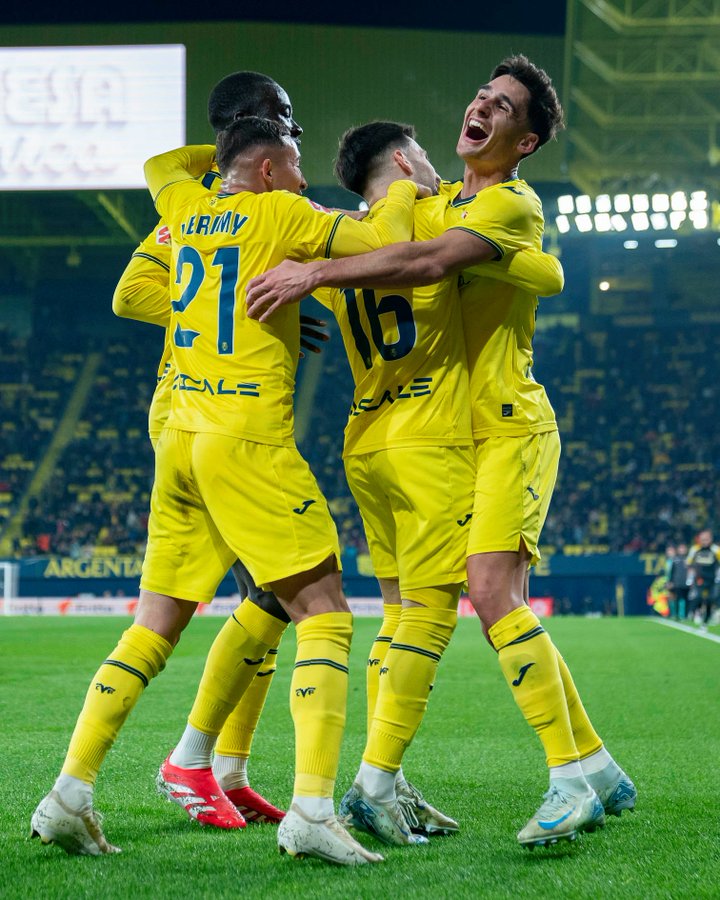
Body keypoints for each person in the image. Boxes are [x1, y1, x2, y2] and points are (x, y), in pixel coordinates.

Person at [245, 55, 637, 849]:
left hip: (505, 425)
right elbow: (506, 266)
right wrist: (537, 268)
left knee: (486, 595)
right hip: (444, 432)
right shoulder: (438, 206)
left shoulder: (506, 203)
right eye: (481, 97)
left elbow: (424, 259)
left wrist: (314, 271)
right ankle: (591, 767)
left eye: (503, 107)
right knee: (476, 602)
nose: (480, 108)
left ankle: (567, 778)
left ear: (526, 143)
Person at [30, 117, 423, 865]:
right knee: (324, 612)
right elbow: (385, 244)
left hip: (179, 436)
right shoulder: (282, 212)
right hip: (245, 438)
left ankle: (69, 795)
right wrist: (401, 187)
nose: (305, 178)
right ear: (270, 169)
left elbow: (160, 162)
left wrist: (227, 155)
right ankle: (312, 810)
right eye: (294, 161)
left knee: (151, 628)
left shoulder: (181, 204)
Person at [308, 120, 565, 847]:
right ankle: (374, 783)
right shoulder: (428, 220)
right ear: (402, 159)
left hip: (366, 439)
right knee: (428, 615)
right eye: (422, 156)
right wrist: (528, 260)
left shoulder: (342, 239)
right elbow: (544, 276)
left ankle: (384, 781)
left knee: (394, 615)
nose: (435, 168)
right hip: (428, 437)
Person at [111, 69, 307, 829]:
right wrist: (221, 306)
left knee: (269, 594)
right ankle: (196, 764)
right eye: (280, 116)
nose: (294, 126)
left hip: (222, 411)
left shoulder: (234, 205)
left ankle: (223, 767)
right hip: (197, 413)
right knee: (269, 591)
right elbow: (131, 294)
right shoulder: (189, 210)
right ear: (250, 125)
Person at [686, 530, 720, 627]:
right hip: (699, 578)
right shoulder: (695, 549)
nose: (704, 541)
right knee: (698, 597)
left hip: (712, 579)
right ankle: (696, 613)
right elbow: (688, 563)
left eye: (706, 539)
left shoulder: (716, 550)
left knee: (711, 599)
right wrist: (690, 578)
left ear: (710, 539)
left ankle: (706, 619)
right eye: (703, 539)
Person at [665, 542, 690, 620]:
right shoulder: (675, 560)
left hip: (687, 583)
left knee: (687, 599)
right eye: (681, 548)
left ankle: (685, 615)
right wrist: (671, 581)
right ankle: (676, 614)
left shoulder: (689, 559)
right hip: (677, 583)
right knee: (677, 599)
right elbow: (672, 572)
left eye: (683, 548)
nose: (682, 550)